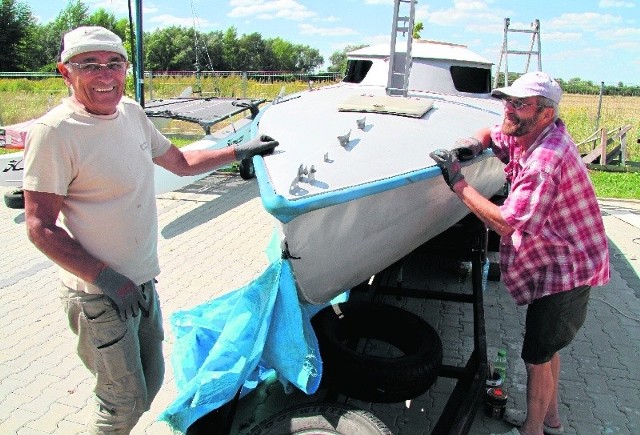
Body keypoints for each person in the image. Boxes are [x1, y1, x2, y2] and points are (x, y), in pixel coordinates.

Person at [22, 26, 278, 434]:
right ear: (65, 72)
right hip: (99, 292)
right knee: (123, 402)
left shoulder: (131, 113)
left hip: (140, 283)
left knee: (151, 380)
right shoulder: (55, 133)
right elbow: (39, 227)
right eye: (89, 65)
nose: (105, 75)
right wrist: (109, 280)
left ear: (126, 68)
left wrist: (240, 150)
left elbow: (179, 162)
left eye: (114, 64)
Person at [430, 71, 610, 435]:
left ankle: (533, 430)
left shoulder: (546, 159)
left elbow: (506, 224)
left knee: (535, 358)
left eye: (520, 104)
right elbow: (491, 132)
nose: (509, 110)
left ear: (546, 113)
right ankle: (551, 419)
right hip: (559, 260)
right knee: (547, 351)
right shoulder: (526, 130)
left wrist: (457, 182)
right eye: (508, 101)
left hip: (568, 270)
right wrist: (471, 147)